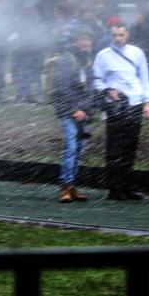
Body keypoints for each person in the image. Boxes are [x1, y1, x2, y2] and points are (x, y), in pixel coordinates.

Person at [92, 22, 149, 200]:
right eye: (115, 35)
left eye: (121, 35)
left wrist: (147, 102)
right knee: (114, 148)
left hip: (134, 103)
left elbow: (144, 78)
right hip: (116, 105)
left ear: (127, 35)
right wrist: (108, 90)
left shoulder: (137, 53)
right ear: (111, 36)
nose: (118, 38)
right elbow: (96, 80)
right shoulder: (103, 56)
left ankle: (127, 186)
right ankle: (114, 188)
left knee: (130, 147)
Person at [50, 26, 96, 202]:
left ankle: (72, 185)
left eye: (88, 39)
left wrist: (87, 109)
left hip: (84, 112)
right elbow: (62, 88)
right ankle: (65, 186)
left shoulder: (88, 60)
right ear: (76, 42)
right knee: (71, 147)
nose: (86, 42)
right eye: (83, 39)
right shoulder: (66, 60)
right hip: (68, 111)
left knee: (79, 150)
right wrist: (75, 109)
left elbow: (89, 88)